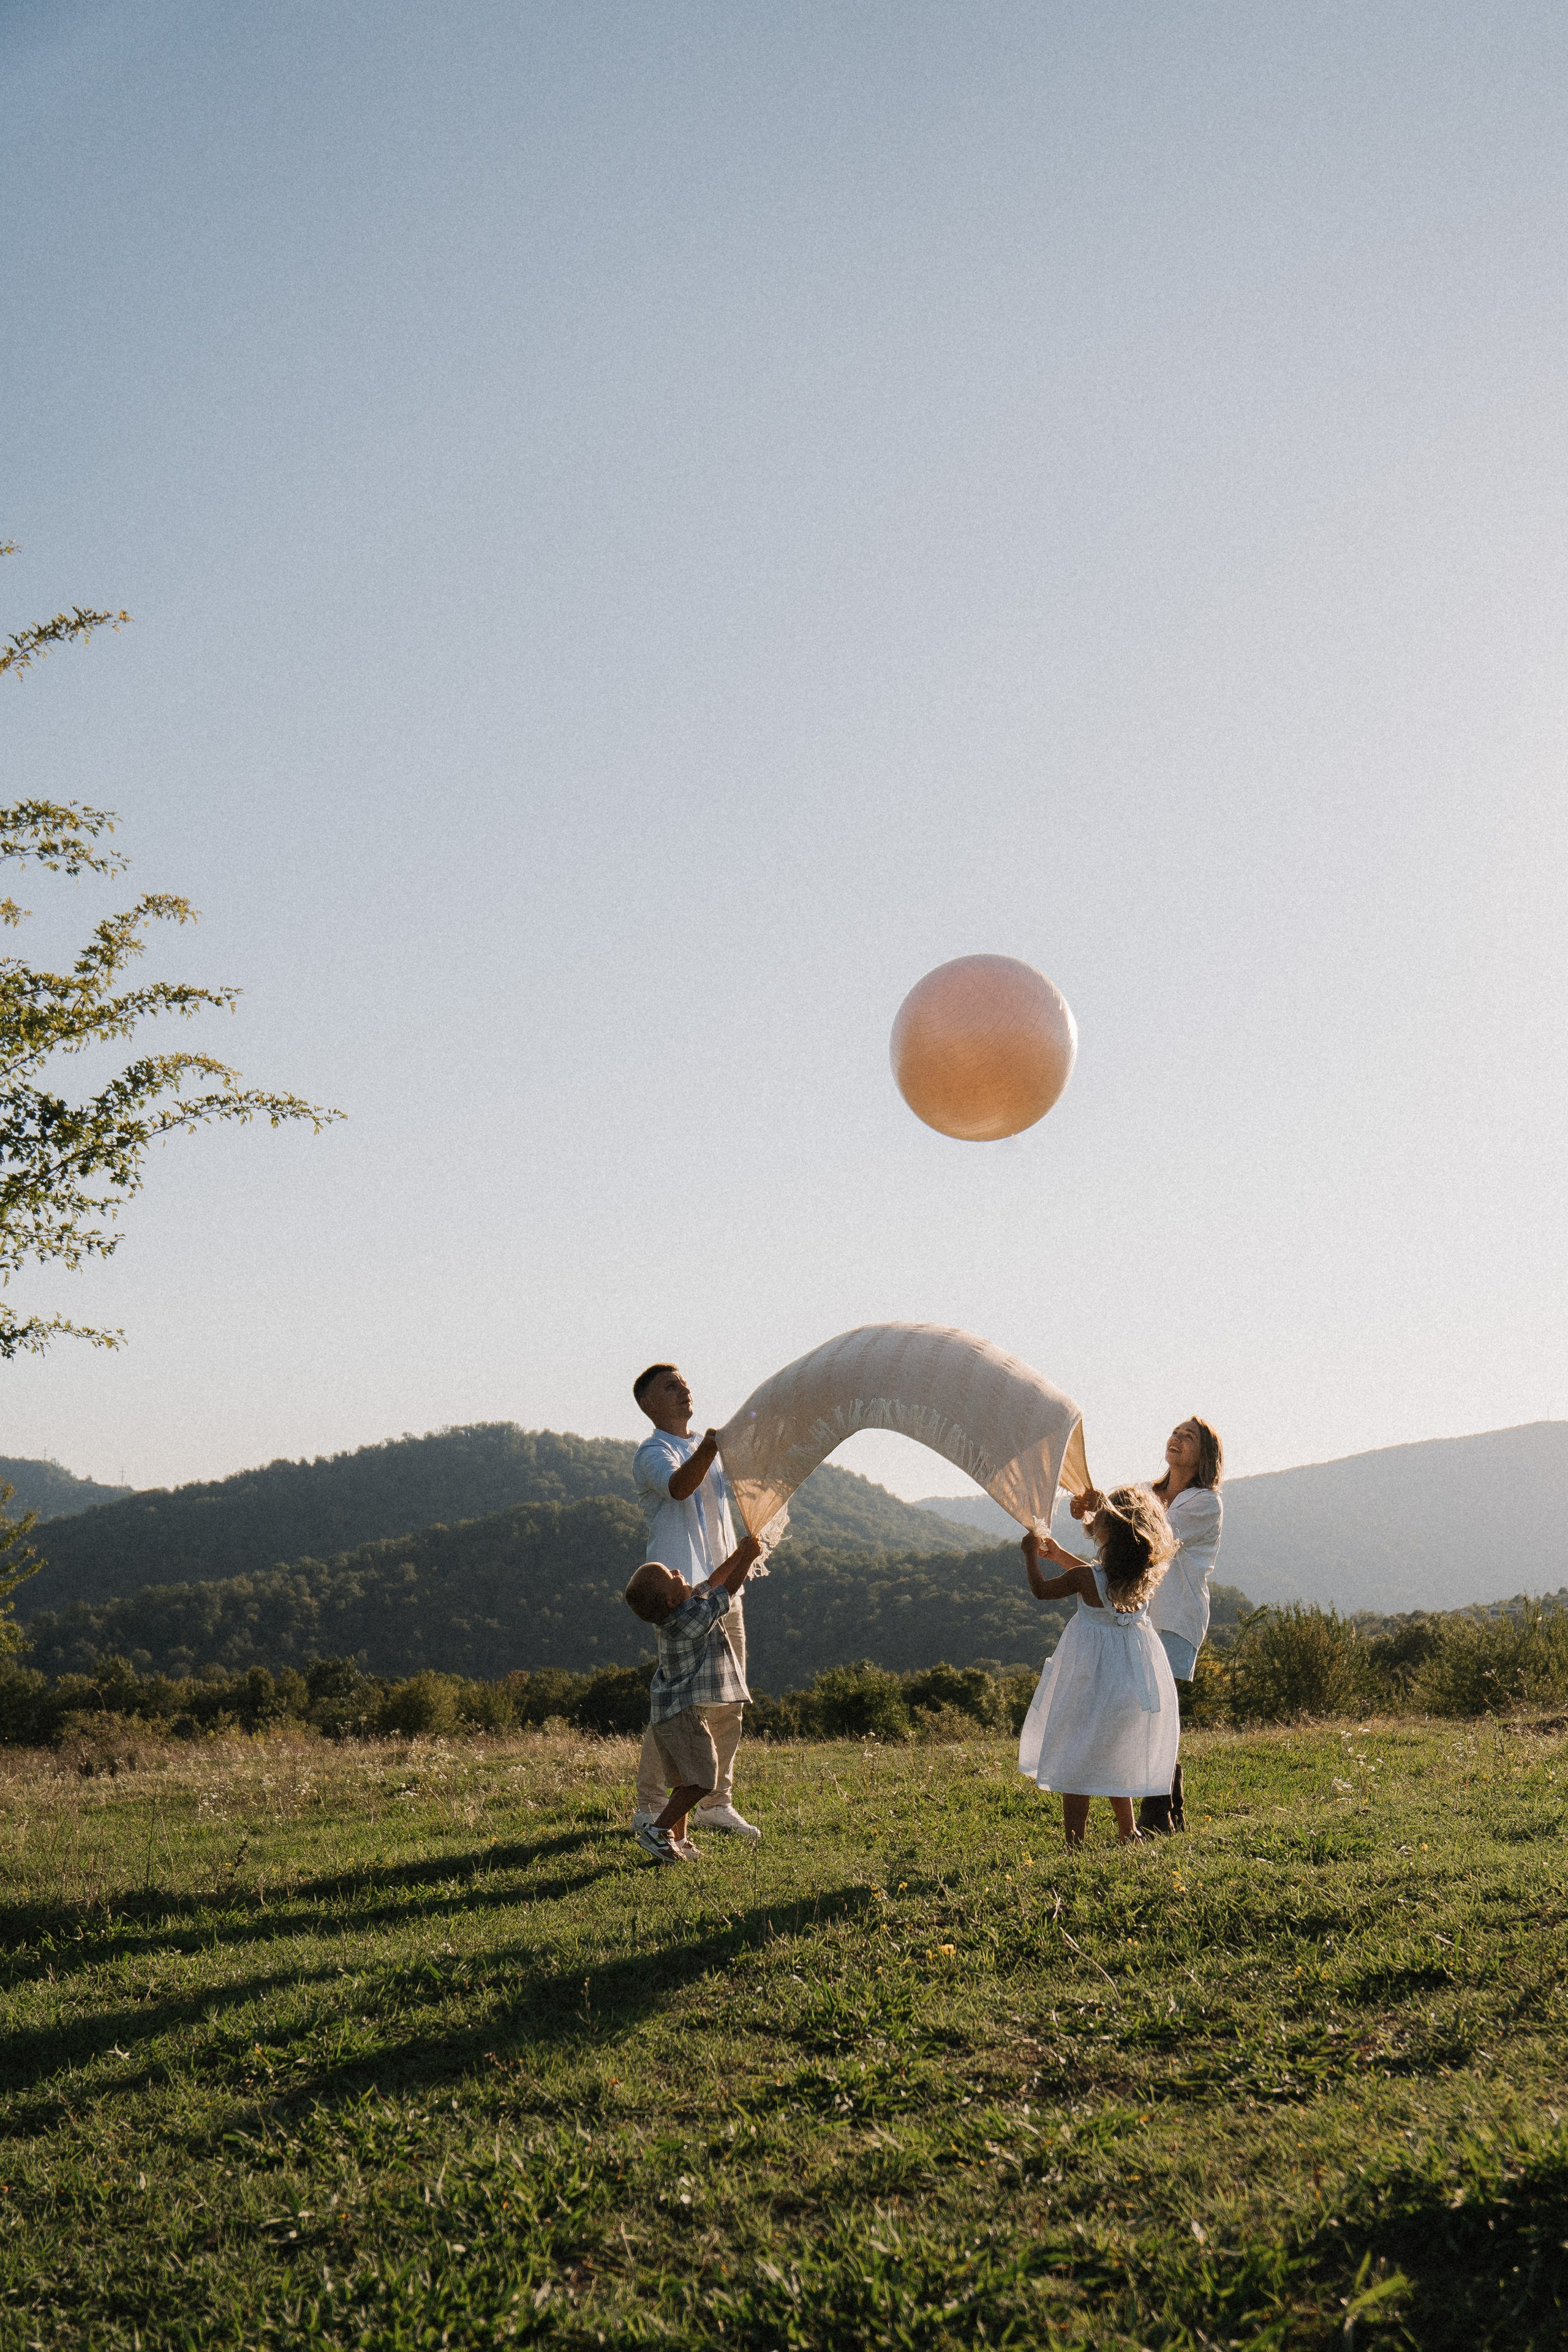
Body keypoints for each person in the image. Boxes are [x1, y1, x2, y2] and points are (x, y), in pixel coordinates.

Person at [628, 1363, 761, 1842]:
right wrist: (711, 1445)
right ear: (648, 1404)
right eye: (671, 1387)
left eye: (685, 1384)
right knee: (677, 1708)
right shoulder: (653, 1452)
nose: (685, 1391)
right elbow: (679, 1487)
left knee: (729, 1703)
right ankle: (652, 1806)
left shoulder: (712, 1455)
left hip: (723, 1589)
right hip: (679, 1599)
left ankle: (717, 1804)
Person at [1074, 1417, 1225, 1833]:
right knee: (1142, 1710)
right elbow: (1114, 1537)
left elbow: (1153, 1534)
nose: (1177, 1439)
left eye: (1188, 1437)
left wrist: (1104, 1508)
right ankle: (1169, 1809)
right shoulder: (1147, 1491)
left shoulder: (1203, 1503)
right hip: (1139, 1616)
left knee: (1157, 1710)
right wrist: (1090, 1515)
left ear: (1205, 1454)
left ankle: (1158, 1814)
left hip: (1176, 1618)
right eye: (1176, 1432)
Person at [1016, 1486, 1180, 1848]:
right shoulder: (1141, 1580)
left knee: (1078, 1755)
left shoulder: (1086, 1580)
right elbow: (1098, 1578)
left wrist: (1032, 1555)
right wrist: (1060, 1555)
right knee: (1112, 1751)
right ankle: (1129, 1831)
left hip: (1090, 1679)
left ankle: (1075, 1842)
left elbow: (1042, 1590)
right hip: (1128, 1680)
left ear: (1105, 1533)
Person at [622, 1531, 763, 1864]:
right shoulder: (687, 1620)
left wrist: (737, 1552)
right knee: (703, 1779)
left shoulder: (684, 1606)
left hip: (670, 1714)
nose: (677, 1570)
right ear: (671, 1601)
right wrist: (748, 1559)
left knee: (685, 1780)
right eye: (671, 1575)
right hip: (682, 1715)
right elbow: (725, 1592)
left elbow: (715, 1581)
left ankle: (679, 1841)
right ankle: (658, 1831)